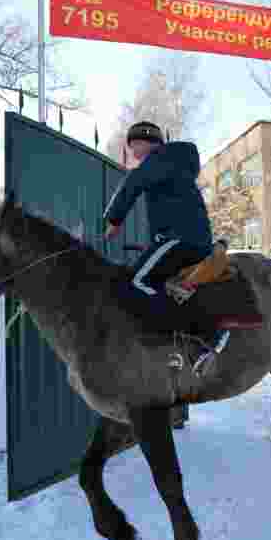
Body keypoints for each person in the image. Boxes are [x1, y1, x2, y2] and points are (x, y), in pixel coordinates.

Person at [103, 120, 229, 373]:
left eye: (132, 146)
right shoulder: (174, 162)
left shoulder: (158, 159)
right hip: (191, 239)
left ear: (142, 142)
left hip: (177, 238)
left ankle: (207, 334)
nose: (132, 153)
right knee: (165, 285)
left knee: (137, 282)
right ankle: (177, 347)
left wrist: (114, 220)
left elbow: (133, 182)